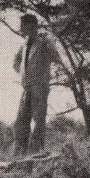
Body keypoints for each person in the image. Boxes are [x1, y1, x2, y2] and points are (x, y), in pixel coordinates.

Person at [12, 14, 62, 156]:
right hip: (27, 86)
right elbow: (15, 63)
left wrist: (48, 44)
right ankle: (20, 154)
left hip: (40, 85)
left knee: (38, 120)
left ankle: (36, 153)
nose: (21, 28)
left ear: (31, 25)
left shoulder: (43, 42)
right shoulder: (24, 45)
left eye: (23, 25)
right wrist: (25, 74)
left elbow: (56, 57)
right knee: (21, 121)